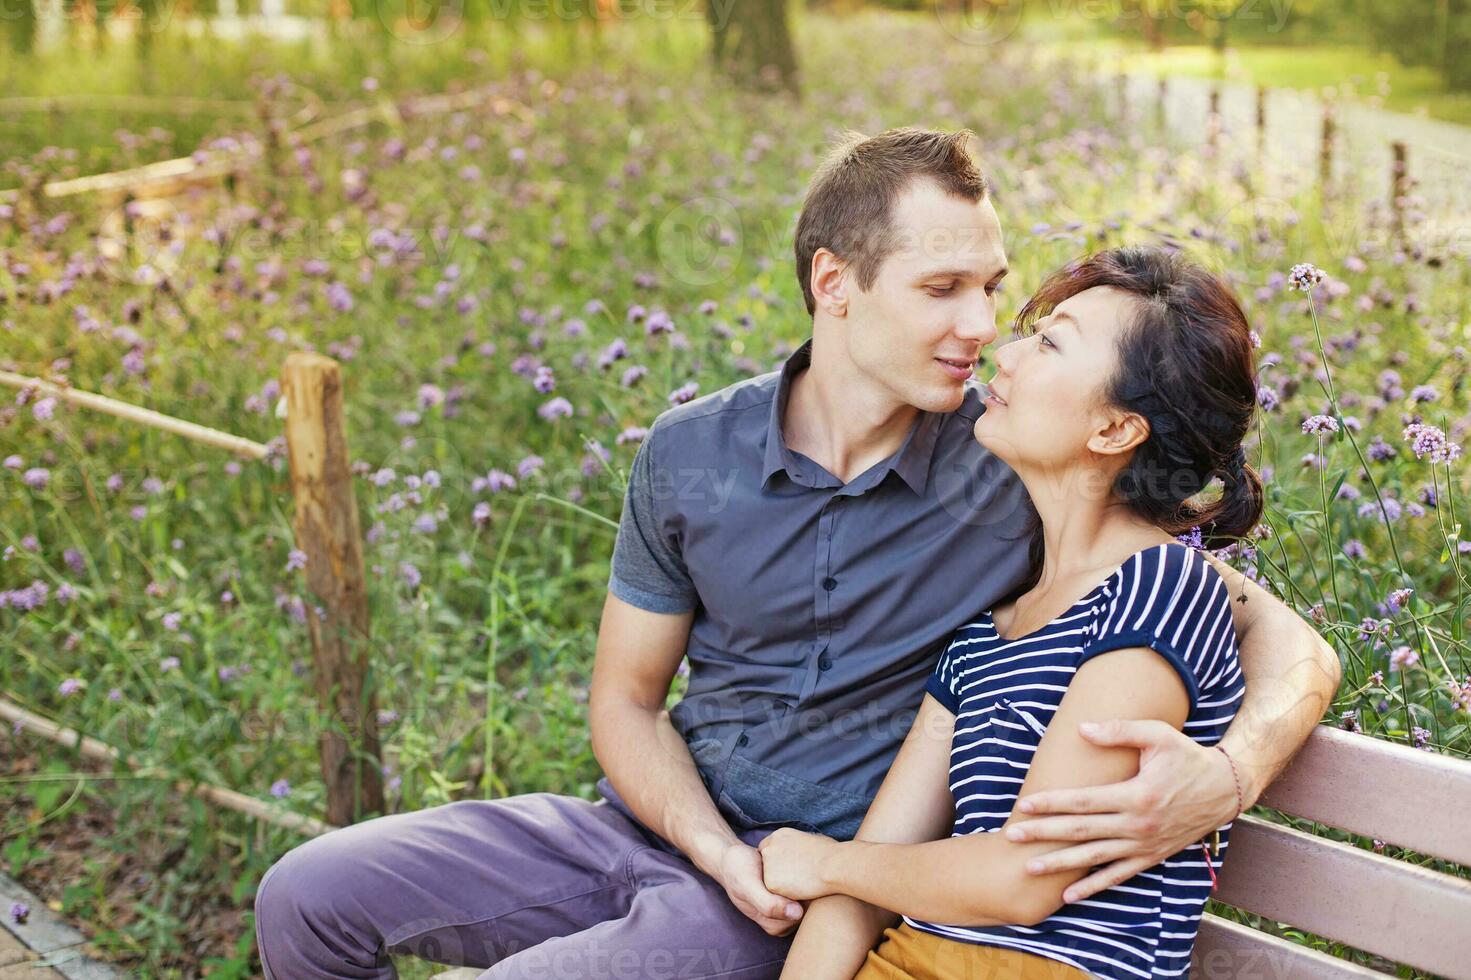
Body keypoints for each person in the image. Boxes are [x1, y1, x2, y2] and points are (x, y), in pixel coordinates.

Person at [253, 130, 1340, 980]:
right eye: (941, 288)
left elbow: (1272, 632)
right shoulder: (690, 451)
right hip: (656, 833)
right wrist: (713, 846)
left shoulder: (1018, 460)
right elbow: (626, 701)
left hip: (805, 894)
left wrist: (1229, 773)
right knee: (303, 893)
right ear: (835, 283)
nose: (980, 326)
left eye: (993, 289)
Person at [761, 246, 1273, 980]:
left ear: (1113, 431)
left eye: (1049, 342)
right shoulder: (982, 636)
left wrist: (827, 862)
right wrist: (839, 878)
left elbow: (1027, 879)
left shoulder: (1158, 587)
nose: (1003, 354)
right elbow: (865, 884)